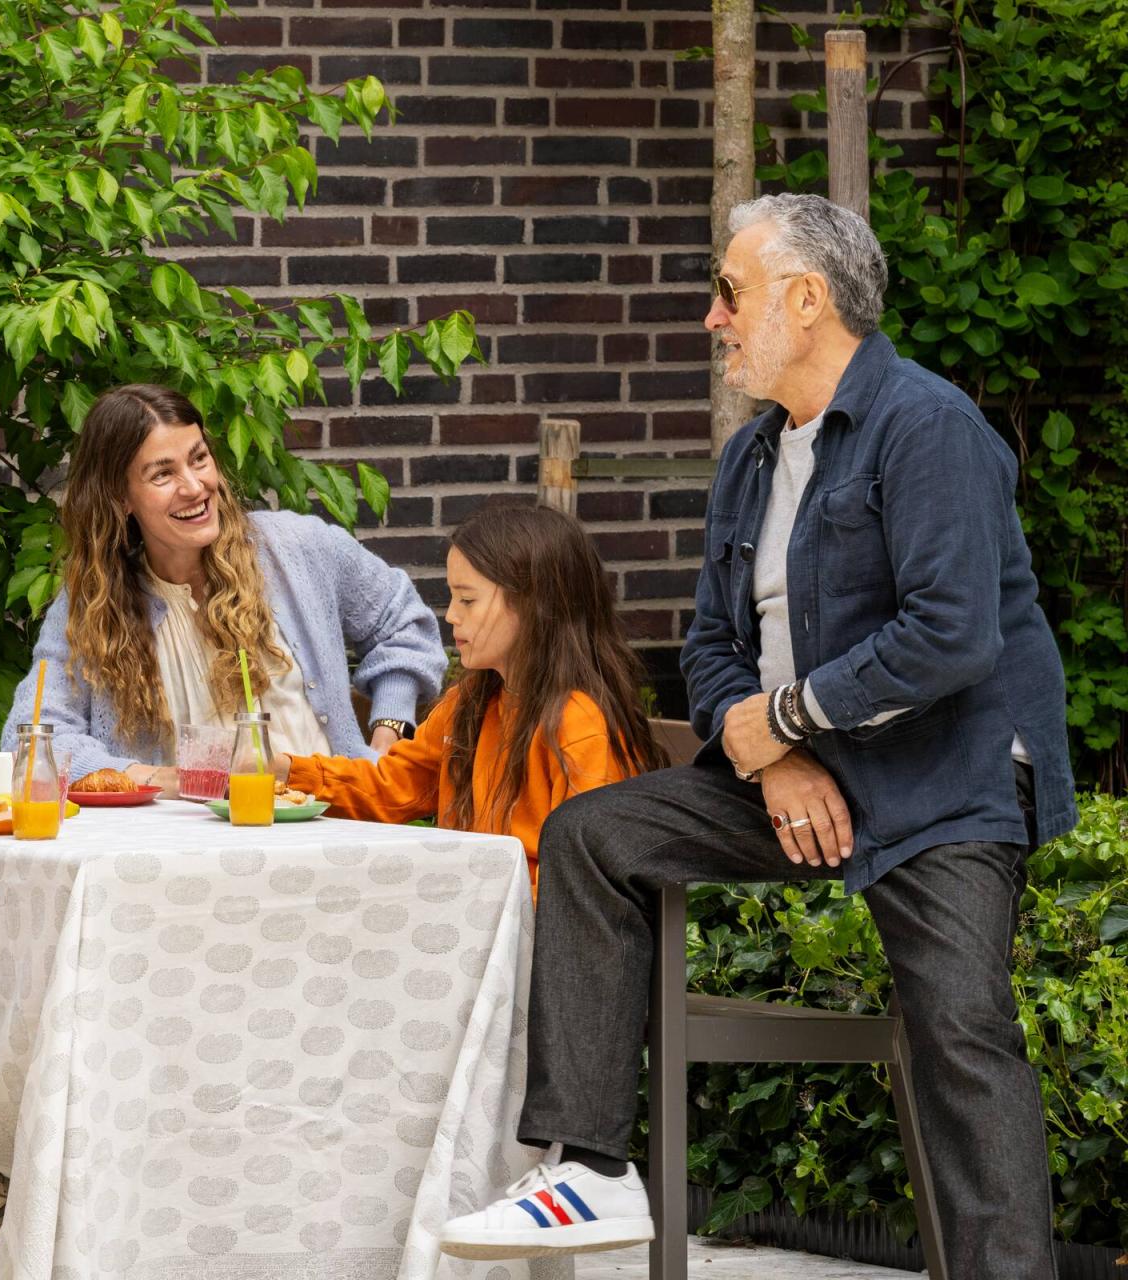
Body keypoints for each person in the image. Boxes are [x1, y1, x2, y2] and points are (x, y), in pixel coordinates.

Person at [442, 194, 1075, 1279]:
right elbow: (711, 648)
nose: (711, 316)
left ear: (807, 298)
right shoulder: (749, 460)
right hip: (800, 771)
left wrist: (785, 720)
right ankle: (590, 1164)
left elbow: (951, 635)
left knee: (960, 1034)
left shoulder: (927, 428)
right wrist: (775, 757)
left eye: (728, 291)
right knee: (597, 832)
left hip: (946, 776)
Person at [2, 383, 448, 782]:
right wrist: (168, 781)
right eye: (163, 474)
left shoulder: (297, 548)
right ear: (120, 498)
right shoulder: (94, 604)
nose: (194, 486)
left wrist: (390, 730)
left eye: (199, 459)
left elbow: (401, 621)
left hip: (330, 825)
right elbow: (33, 739)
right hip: (185, 853)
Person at [273, 505, 665, 894]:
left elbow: (581, 879)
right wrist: (283, 772)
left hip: (531, 938)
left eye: (468, 600)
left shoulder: (579, 723)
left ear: (532, 604)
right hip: (471, 921)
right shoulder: (469, 703)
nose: (451, 616)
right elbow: (390, 786)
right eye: (452, 598)